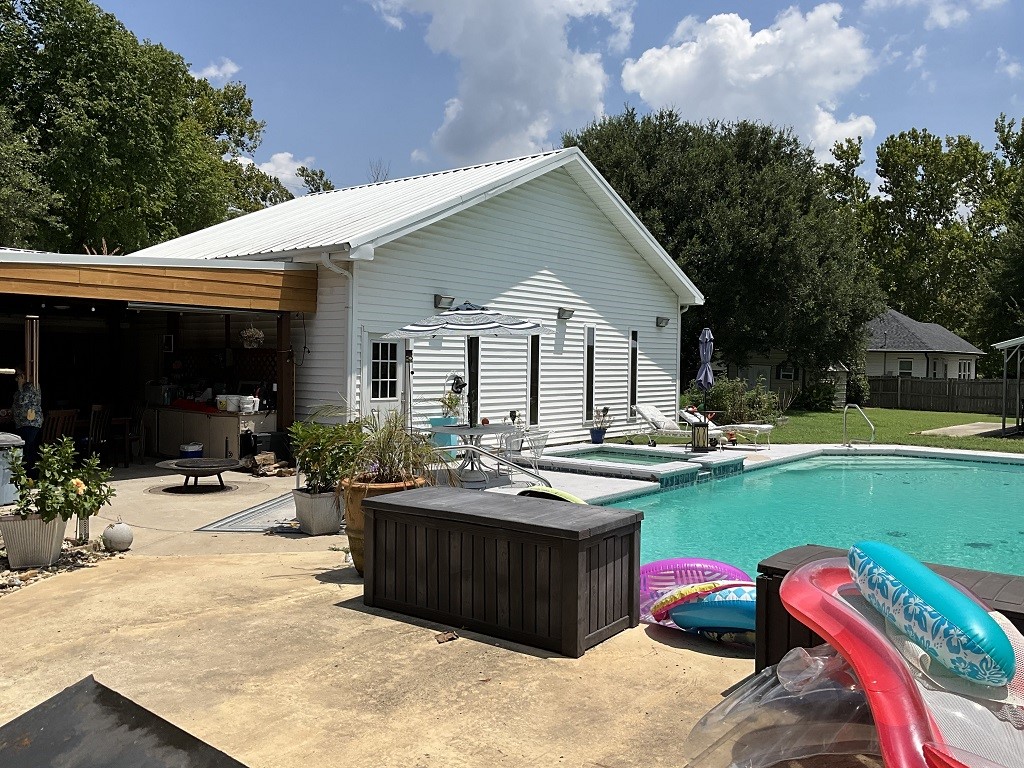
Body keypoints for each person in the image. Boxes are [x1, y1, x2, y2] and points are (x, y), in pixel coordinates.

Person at [12, 367, 42, 472]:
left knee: (28, 449)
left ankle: (30, 474)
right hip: (22, 423)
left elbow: (22, 400)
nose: (17, 379)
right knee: (26, 449)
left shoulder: (31, 386)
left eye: (19, 376)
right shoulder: (24, 387)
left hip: (30, 423)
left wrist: (20, 386)